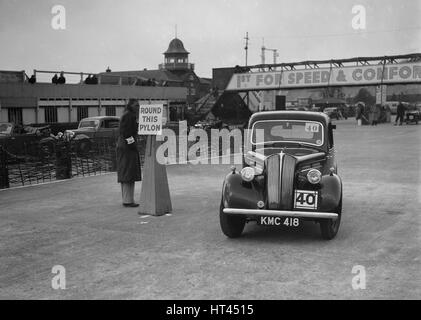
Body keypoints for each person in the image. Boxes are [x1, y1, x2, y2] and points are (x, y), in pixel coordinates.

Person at [116, 99, 142, 207]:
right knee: (128, 172)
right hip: (127, 148)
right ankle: (128, 200)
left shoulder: (127, 114)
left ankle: (127, 199)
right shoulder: (130, 116)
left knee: (126, 172)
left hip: (123, 146)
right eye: (136, 105)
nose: (138, 107)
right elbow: (127, 133)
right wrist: (132, 145)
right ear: (131, 106)